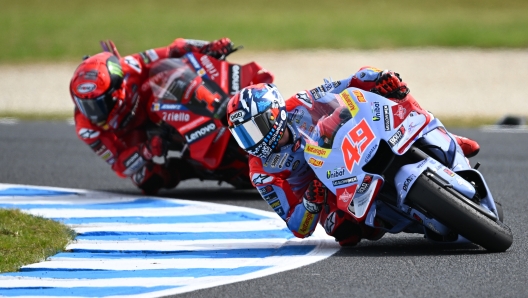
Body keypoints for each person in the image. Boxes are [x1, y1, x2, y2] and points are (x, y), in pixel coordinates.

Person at [225, 68, 480, 246]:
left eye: (253, 129)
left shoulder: (299, 103)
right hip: (326, 188)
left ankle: (443, 134)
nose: (251, 141)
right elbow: (297, 227)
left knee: (392, 94)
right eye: (242, 135)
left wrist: (378, 79)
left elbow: (347, 83)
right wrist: (310, 205)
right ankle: (406, 215)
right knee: (345, 232)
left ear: (273, 113)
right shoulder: (260, 170)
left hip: (349, 146)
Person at [69, 37, 235, 194]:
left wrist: (208, 47)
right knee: (146, 179)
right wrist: (146, 151)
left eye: (98, 104)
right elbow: (119, 165)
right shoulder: (87, 128)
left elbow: (173, 49)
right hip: (135, 134)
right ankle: (188, 169)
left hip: (154, 102)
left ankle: (220, 105)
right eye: (83, 105)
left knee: (170, 70)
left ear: (115, 91)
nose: (91, 112)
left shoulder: (129, 66)